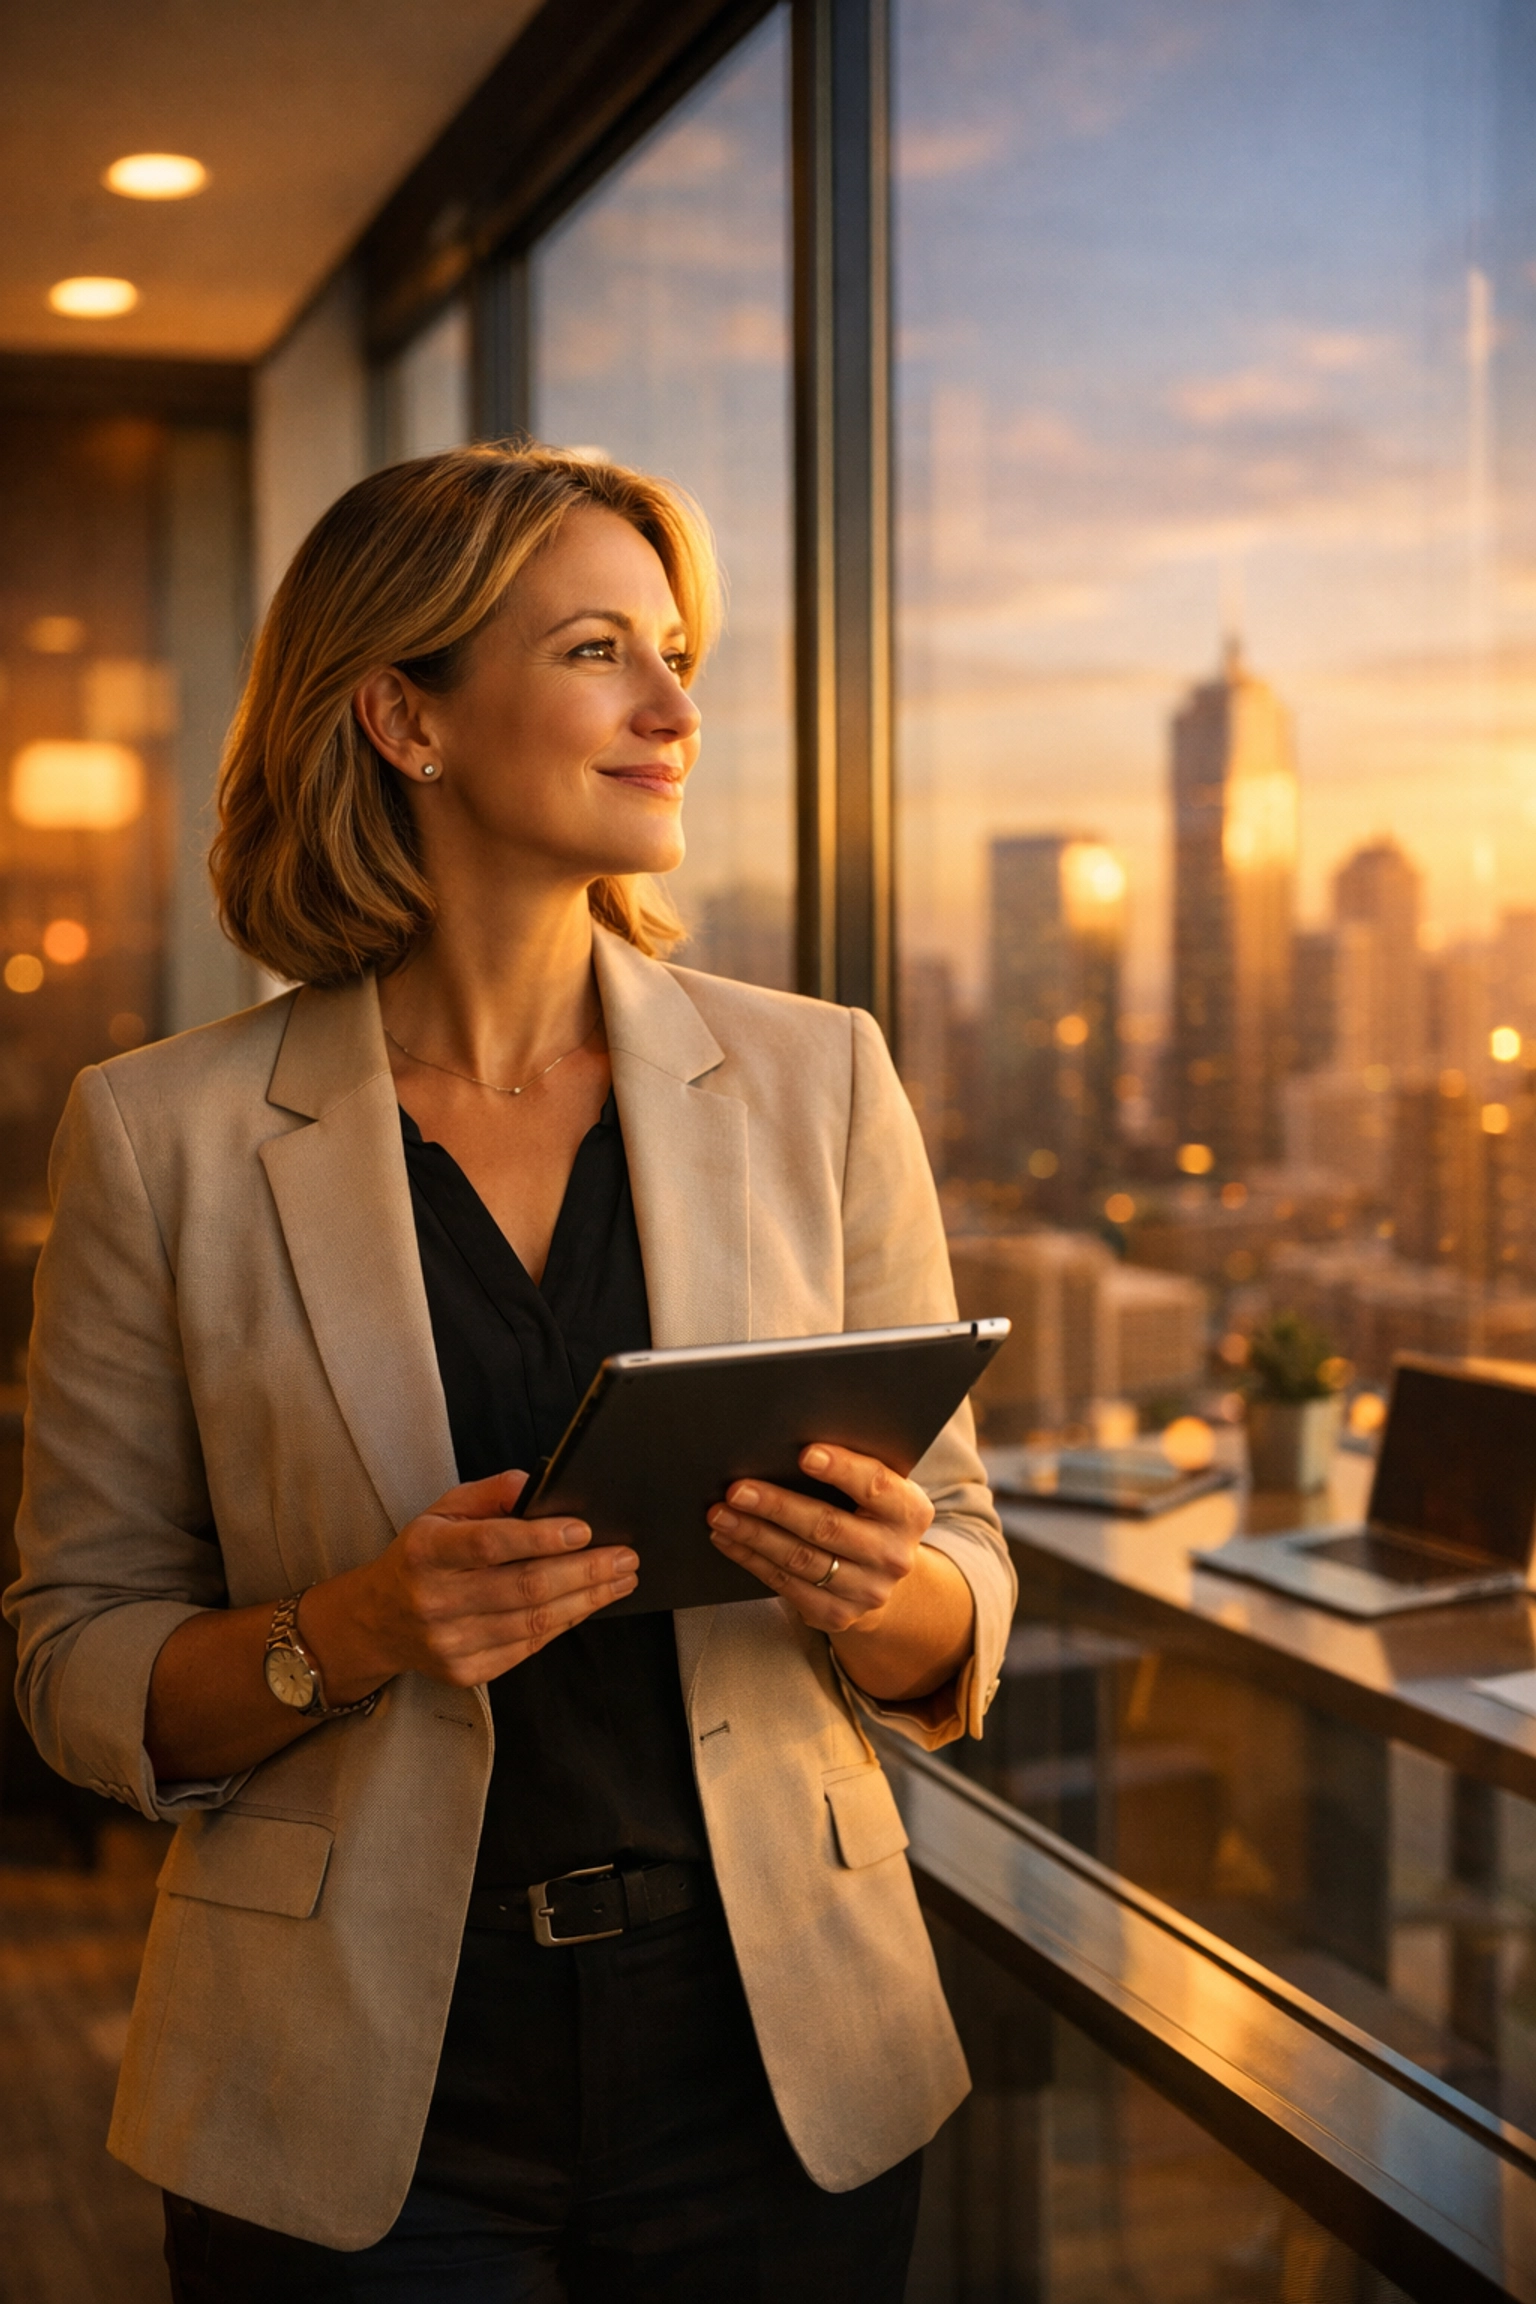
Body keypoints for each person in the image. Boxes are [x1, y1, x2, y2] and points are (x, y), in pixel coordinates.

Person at [3, 444, 1012, 2301]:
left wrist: (891, 1592)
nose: (676, 707)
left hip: (777, 2063)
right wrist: (352, 1630)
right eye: (599, 651)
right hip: (356, 2091)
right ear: (406, 715)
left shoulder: (821, 1081)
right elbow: (74, 1659)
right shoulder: (160, 1136)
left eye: (678, 649)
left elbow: (961, 1570)